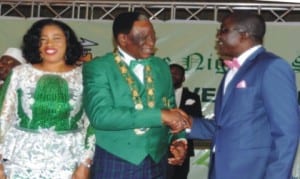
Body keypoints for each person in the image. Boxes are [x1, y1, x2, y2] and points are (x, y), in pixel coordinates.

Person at [187, 11, 300, 179]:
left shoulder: (271, 67)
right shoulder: (232, 72)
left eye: (223, 30)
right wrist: (187, 124)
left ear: (243, 35)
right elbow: (224, 127)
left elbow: (286, 132)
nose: (218, 36)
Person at [83, 12, 190, 179]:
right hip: (117, 160)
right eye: (143, 37)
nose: (151, 42)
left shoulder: (161, 66)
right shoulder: (99, 67)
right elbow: (100, 116)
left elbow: (170, 107)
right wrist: (160, 115)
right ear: (123, 39)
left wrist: (178, 139)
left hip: (158, 161)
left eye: (153, 36)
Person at [0, 19, 95, 178]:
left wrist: (85, 163)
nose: (49, 44)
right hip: (22, 161)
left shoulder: (84, 77)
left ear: (68, 43)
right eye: (43, 39)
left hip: (68, 161)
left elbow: (90, 124)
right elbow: (3, 118)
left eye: (56, 38)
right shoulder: (19, 73)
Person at [168, 63, 203, 179]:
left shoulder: (193, 97)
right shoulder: (156, 97)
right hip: (159, 148)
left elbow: (197, 118)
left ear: (183, 78)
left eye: (176, 73)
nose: (173, 76)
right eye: (170, 73)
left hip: (184, 146)